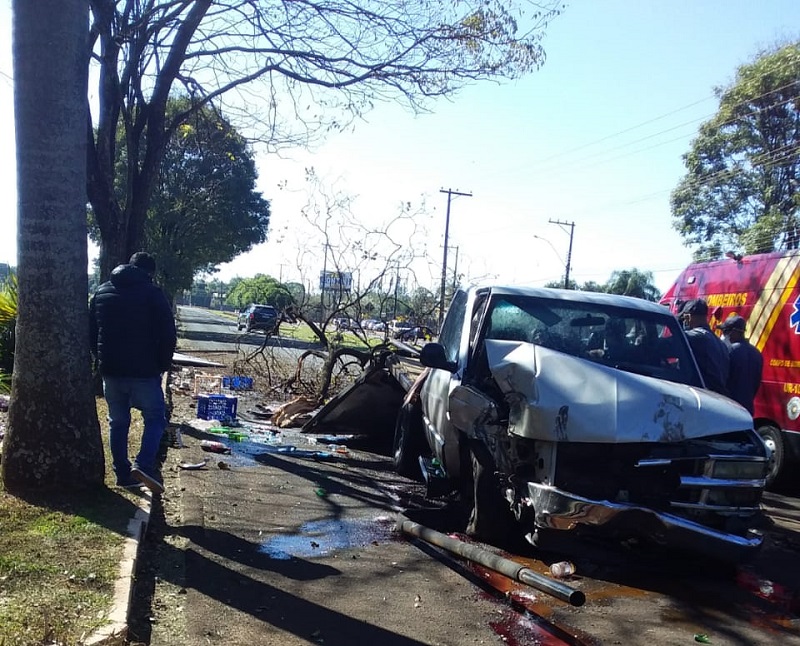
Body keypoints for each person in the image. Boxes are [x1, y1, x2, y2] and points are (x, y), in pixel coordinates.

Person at [89, 252, 177, 493]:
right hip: (144, 371)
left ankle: (122, 474)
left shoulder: (101, 292)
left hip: (111, 370)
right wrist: (162, 364)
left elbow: (91, 331)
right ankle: (144, 465)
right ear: (149, 272)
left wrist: (101, 359)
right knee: (155, 417)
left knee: (117, 422)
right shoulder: (153, 294)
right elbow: (169, 334)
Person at [678, 299, 730, 396]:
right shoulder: (721, 344)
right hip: (719, 397)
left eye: (684, 319)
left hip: (701, 395)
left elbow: (662, 346)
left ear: (688, 316)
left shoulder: (695, 337)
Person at [719, 314, 763, 415]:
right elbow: (756, 383)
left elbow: (721, 381)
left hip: (729, 408)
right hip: (747, 409)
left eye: (725, 332)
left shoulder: (728, 351)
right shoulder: (757, 353)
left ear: (734, 332)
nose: (723, 335)